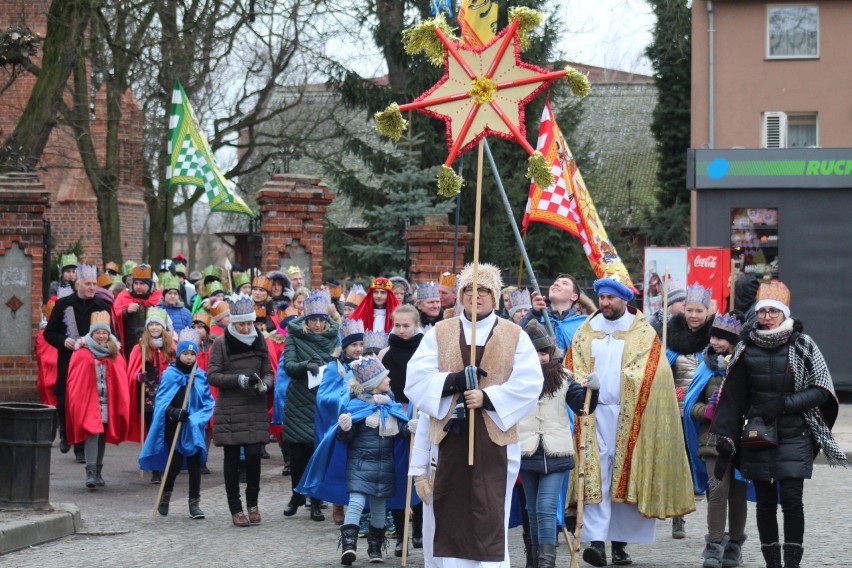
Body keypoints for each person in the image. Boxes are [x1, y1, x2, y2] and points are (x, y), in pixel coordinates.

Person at [405, 262, 544, 567]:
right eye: (469, 289)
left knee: (488, 513)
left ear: (495, 297)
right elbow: (415, 379)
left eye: (483, 290)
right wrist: (454, 381)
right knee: (449, 513)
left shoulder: (514, 335)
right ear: (460, 295)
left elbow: (530, 383)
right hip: (448, 439)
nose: (475, 296)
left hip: (494, 439)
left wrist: (487, 397)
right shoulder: (439, 333)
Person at [710, 281, 847, 568]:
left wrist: (784, 404)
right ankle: (772, 563)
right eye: (763, 311)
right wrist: (726, 435)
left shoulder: (803, 343)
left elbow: (822, 389)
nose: (767, 317)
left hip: (795, 433)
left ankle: (792, 563)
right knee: (765, 503)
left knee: (792, 500)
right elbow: (733, 396)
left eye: (774, 311)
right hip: (757, 434)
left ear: (784, 313)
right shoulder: (745, 348)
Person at [566, 272, 694, 567]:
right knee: (598, 475)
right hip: (592, 413)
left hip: (631, 413)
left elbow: (654, 372)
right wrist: (584, 380)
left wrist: (628, 379)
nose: (605, 303)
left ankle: (620, 545)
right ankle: (596, 543)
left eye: (610, 298)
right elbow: (571, 365)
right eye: (601, 298)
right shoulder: (587, 329)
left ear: (624, 299)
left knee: (624, 474)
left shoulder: (643, 331)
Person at [518, 320, 599, 568]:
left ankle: (546, 564)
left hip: (556, 452)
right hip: (526, 450)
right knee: (532, 511)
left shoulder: (564, 377)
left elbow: (583, 408)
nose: (540, 358)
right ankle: (534, 562)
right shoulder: (516, 378)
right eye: (533, 353)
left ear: (550, 353)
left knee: (545, 507)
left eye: (543, 353)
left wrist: (592, 391)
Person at [683, 311, 748, 568]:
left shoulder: (746, 365)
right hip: (712, 439)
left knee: (738, 493)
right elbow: (691, 405)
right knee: (717, 489)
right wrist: (705, 411)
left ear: (734, 340)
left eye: (722, 337)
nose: (716, 342)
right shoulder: (705, 367)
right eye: (714, 336)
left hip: (742, 439)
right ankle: (713, 547)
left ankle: (734, 546)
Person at [207, 293, 274, 527]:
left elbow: (268, 370)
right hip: (231, 408)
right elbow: (213, 375)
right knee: (232, 457)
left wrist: (265, 384)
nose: (246, 328)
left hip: (254, 406)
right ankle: (235, 508)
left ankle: (253, 503)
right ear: (233, 323)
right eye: (241, 324)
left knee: (255, 455)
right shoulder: (221, 343)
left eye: (249, 323)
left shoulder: (259, 339)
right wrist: (239, 380)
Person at [142, 328, 215, 519]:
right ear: (179, 354)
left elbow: (208, 402)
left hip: (193, 427)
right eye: (186, 354)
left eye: (192, 354)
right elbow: (161, 402)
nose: (189, 358)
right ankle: (165, 497)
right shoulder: (170, 375)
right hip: (174, 426)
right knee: (173, 465)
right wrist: (174, 412)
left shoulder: (200, 376)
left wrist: (195, 419)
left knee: (194, 466)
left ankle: (194, 504)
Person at [281, 290, 341, 521]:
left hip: (324, 399)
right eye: (313, 320)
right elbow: (289, 365)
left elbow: (340, 364)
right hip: (300, 399)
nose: (317, 324)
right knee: (298, 453)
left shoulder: (334, 337)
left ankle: (316, 500)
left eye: (320, 320)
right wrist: (307, 364)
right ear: (305, 320)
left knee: (319, 451)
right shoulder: (294, 335)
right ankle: (296, 494)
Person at [44, 264, 112, 459]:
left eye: (94, 284)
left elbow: (112, 335)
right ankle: (66, 433)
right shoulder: (64, 304)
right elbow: (50, 333)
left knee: (89, 404)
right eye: (88, 284)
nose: (92, 287)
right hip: (69, 360)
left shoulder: (103, 306)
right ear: (78, 285)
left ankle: (81, 448)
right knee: (66, 402)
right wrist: (63, 340)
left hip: (95, 362)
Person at [666, 283, 715, 538]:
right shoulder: (671, 339)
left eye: (699, 310)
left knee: (710, 468)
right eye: (689, 310)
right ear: (683, 311)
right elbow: (664, 373)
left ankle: (714, 526)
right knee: (680, 467)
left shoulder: (716, 340)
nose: (694, 315)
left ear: (707, 312)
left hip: (706, 414)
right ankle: (678, 518)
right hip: (677, 412)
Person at [378, 304, 426, 556]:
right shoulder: (385, 353)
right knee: (397, 474)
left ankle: (418, 529)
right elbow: (378, 385)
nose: (401, 330)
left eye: (406, 325)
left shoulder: (426, 350)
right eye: (397, 325)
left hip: (420, 414)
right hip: (395, 416)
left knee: (419, 471)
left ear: (417, 325)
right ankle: (400, 533)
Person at [65, 311, 130, 489]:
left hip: (108, 401)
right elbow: (74, 380)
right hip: (89, 401)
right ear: (92, 334)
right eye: (97, 333)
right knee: (92, 433)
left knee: (101, 435)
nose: (101, 336)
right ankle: (90, 473)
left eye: (104, 333)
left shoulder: (115, 354)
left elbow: (120, 378)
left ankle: (98, 471)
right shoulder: (81, 353)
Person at [127, 307, 176, 484]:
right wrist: (137, 376)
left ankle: (167, 465)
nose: (155, 327)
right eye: (152, 324)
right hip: (147, 397)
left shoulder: (171, 348)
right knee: (153, 431)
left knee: (167, 431)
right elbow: (131, 371)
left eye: (158, 324)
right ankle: (156, 469)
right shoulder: (139, 348)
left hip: (167, 396)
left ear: (163, 327)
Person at [520, 274, 587, 353]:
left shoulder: (584, 323)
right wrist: (533, 313)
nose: (556, 284)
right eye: (555, 282)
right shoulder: (536, 318)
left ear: (574, 297)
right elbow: (516, 337)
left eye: (564, 283)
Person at [113, 264, 163, 358]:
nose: (138, 287)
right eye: (136, 284)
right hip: (131, 344)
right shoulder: (124, 296)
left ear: (149, 285)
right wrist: (126, 311)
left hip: (153, 343)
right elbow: (114, 317)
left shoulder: (158, 297)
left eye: (142, 284)